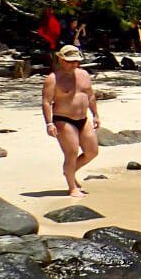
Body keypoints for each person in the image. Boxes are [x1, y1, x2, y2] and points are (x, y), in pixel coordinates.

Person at [41, 45, 100, 197]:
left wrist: (96, 114)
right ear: (61, 59)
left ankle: (69, 172)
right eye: (70, 61)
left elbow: (90, 95)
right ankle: (72, 187)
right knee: (72, 153)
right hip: (63, 119)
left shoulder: (84, 74)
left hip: (84, 118)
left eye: (76, 61)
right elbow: (46, 102)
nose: (74, 64)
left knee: (92, 152)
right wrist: (49, 123)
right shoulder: (53, 79)